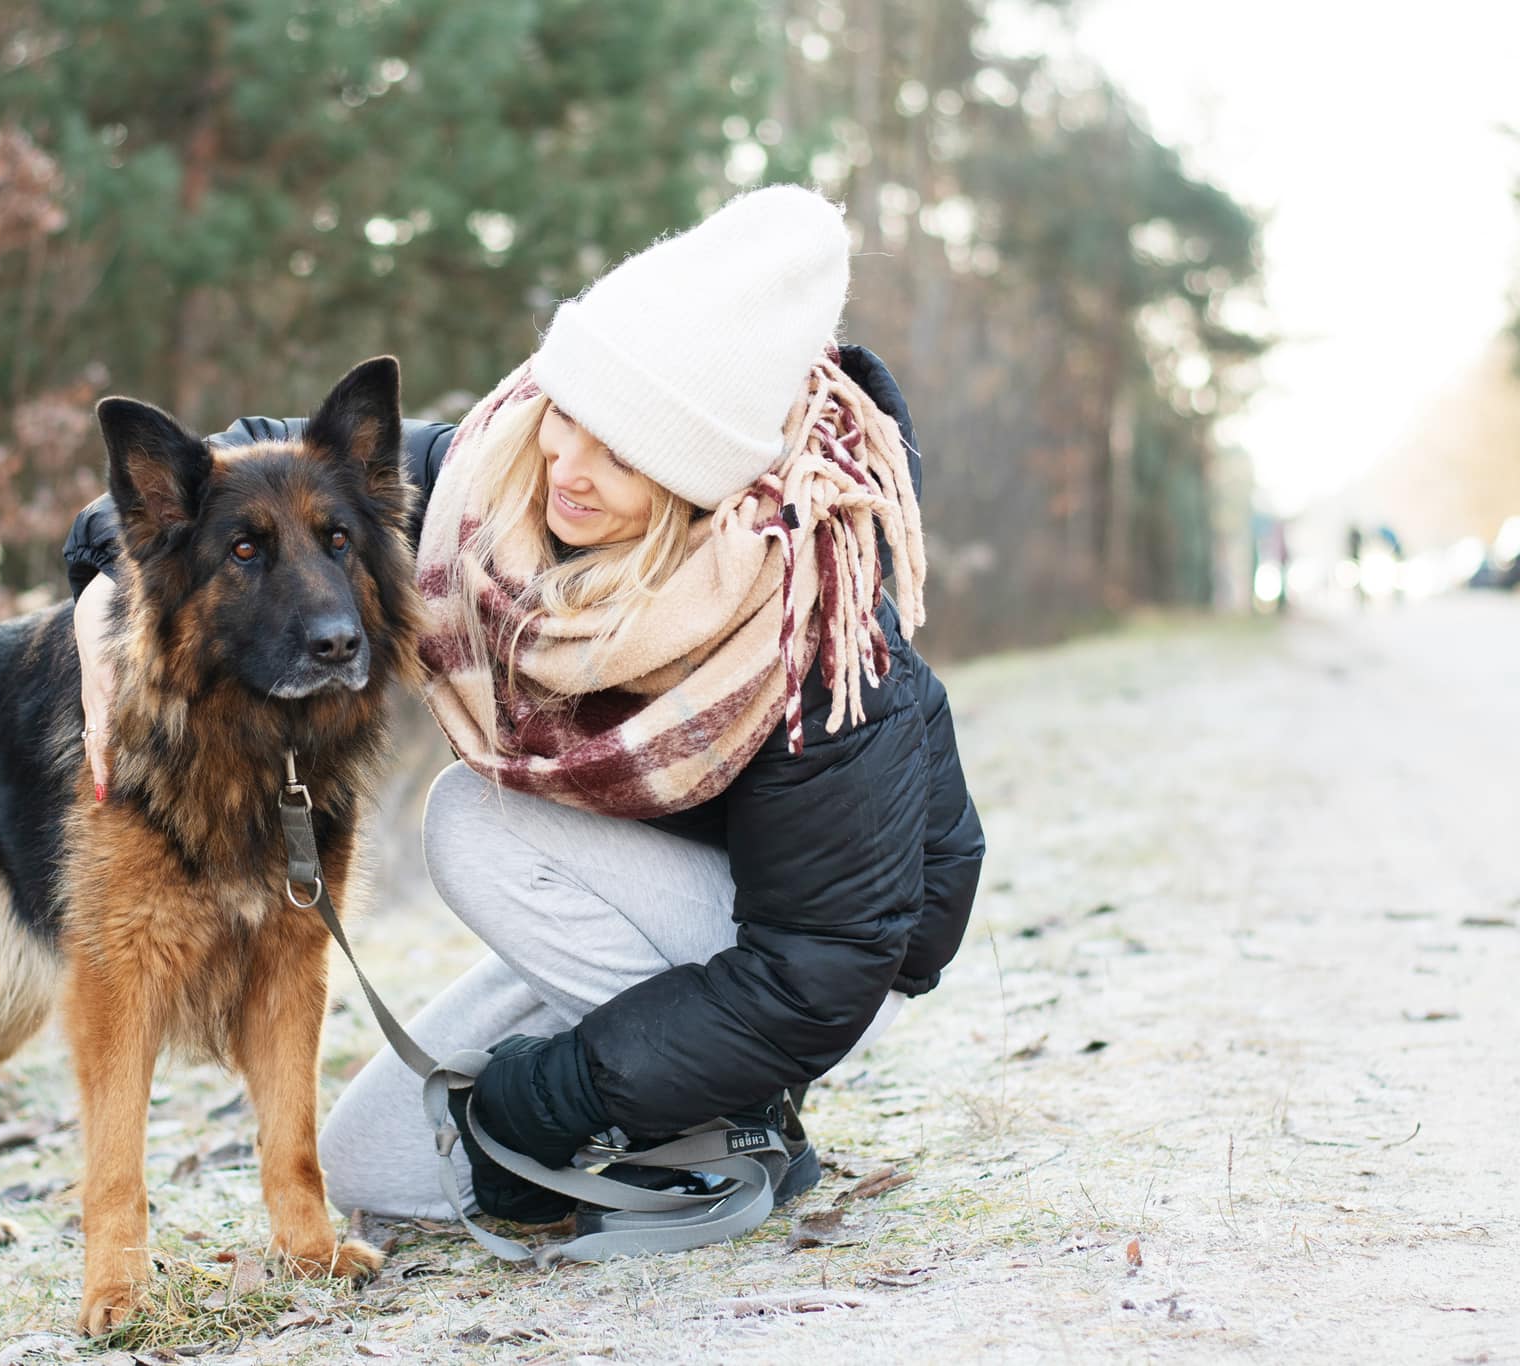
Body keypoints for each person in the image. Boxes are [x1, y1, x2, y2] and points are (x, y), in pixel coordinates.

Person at [61, 185, 984, 1224]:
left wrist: (541, 1101)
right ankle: (663, 1100)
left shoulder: (819, 630)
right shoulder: (494, 477)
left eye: (624, 450)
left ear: (707, 476)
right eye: (566, 416)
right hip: (629, 919)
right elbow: (253, 459)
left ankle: (733, 1116)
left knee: (471, 820)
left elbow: (814, 978)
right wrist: (105, 573)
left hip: (817, 983)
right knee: (374, 1168)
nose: (569, 471)